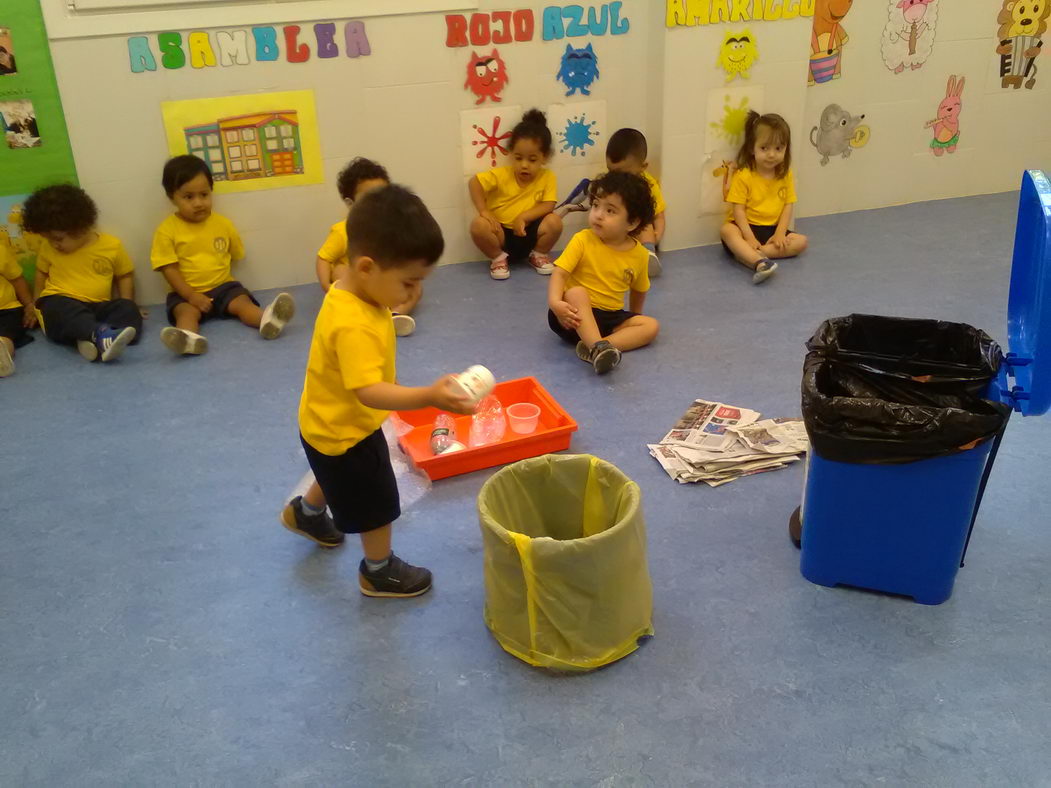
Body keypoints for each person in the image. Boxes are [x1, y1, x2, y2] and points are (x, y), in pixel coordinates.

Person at [286, 184, 474, 598]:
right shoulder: (353, 323)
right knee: (375, 501)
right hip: (347, 431)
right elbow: (368, 391)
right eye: (409, 282)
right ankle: (378, 569)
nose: (415, 292)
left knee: (332, 473)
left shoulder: (351, 286)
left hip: (323, 422)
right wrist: (428, 396)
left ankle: (308, 512)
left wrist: (398, 292)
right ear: (367, 267)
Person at [151, 155, 294, 355]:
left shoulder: (222, 224)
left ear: (211, 191)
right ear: (171, 197)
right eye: (188, 197)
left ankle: (268, 320)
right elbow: (168, 269)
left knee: (242, 303)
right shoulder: (167, 230)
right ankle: (187, 340)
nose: (199, 203)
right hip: (185, 293)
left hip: (223, 286)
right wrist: (191, 295)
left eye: (204, 194)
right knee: (186, 313)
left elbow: (235, 253)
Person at [547, 171, 660, 375]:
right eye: (596, 205)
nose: (598, 214)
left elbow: (639, 290)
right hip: (571, 316)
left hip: (610, 318)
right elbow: (560, 273)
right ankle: (597, 346)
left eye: (610, 211)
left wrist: (633, 319)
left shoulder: (640, 255)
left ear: (632, 222)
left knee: (651, 325)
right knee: (576, 292)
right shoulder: (583, 240)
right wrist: (555, 303)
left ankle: (595, 347)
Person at [22, 184, 142, 363]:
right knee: (57, 310)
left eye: (58, 239)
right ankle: (97, 334)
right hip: (60, 300)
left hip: (98, 306)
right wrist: (35, 304)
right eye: (48, 239)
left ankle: (94, 339)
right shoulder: (48, 248)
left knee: (128, 309)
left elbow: (124, 276)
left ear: (82, 227)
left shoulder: (111, 246)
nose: (54, 244)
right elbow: (41, 274)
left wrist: (128, 301)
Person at [316, 157, 419, 336]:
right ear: (351, 204)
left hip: (383, 282)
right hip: (357, 286)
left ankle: (396, 314)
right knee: (340, 270)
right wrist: (326, 285)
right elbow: (324, 259)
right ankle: (361, 313)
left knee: (417, 287)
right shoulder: (342, 231)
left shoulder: (391, 227)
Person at [468, 108, 563, 280]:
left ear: (545, 156)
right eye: (518, 158)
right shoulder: (502, 174)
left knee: (555, 221)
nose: (524, 165)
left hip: (531, 232)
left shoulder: (547, 177)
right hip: (502, 234)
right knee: (478, 226)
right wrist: (484, 211)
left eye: (532, 159)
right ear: (511, 153)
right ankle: (498, 258)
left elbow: (549, 205)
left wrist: (524, 217)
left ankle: (538, 254)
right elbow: (474, 183)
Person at [719, 111, 809, 285]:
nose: (771, 155)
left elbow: (788, 205)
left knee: (802, 242)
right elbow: (738, 210)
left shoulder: (785, 175)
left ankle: (750, 255)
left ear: (786, 149)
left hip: (772, 230)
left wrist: (780, 233)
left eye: (778, 148)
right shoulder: (744, 175)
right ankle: (758, 260)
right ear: (752, 148)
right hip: (745, 228)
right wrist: (749, 237)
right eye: (764, 148)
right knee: (726, 231)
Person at [604, 128, 666, 277]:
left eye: (622, 173)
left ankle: (648, 254)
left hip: (638, 231)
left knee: (646, 226)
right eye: (611, 171)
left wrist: (658, 233)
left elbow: (659, 215)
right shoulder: (609, 185)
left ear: (642, 167)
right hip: (616, 229)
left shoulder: (648, 186)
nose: (616, 178)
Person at [0, 241, 35, 376]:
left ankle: (3, 356)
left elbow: (17, 280)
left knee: (6, 335)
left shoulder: (1, 251)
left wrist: (29, 305)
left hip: (7, 310)